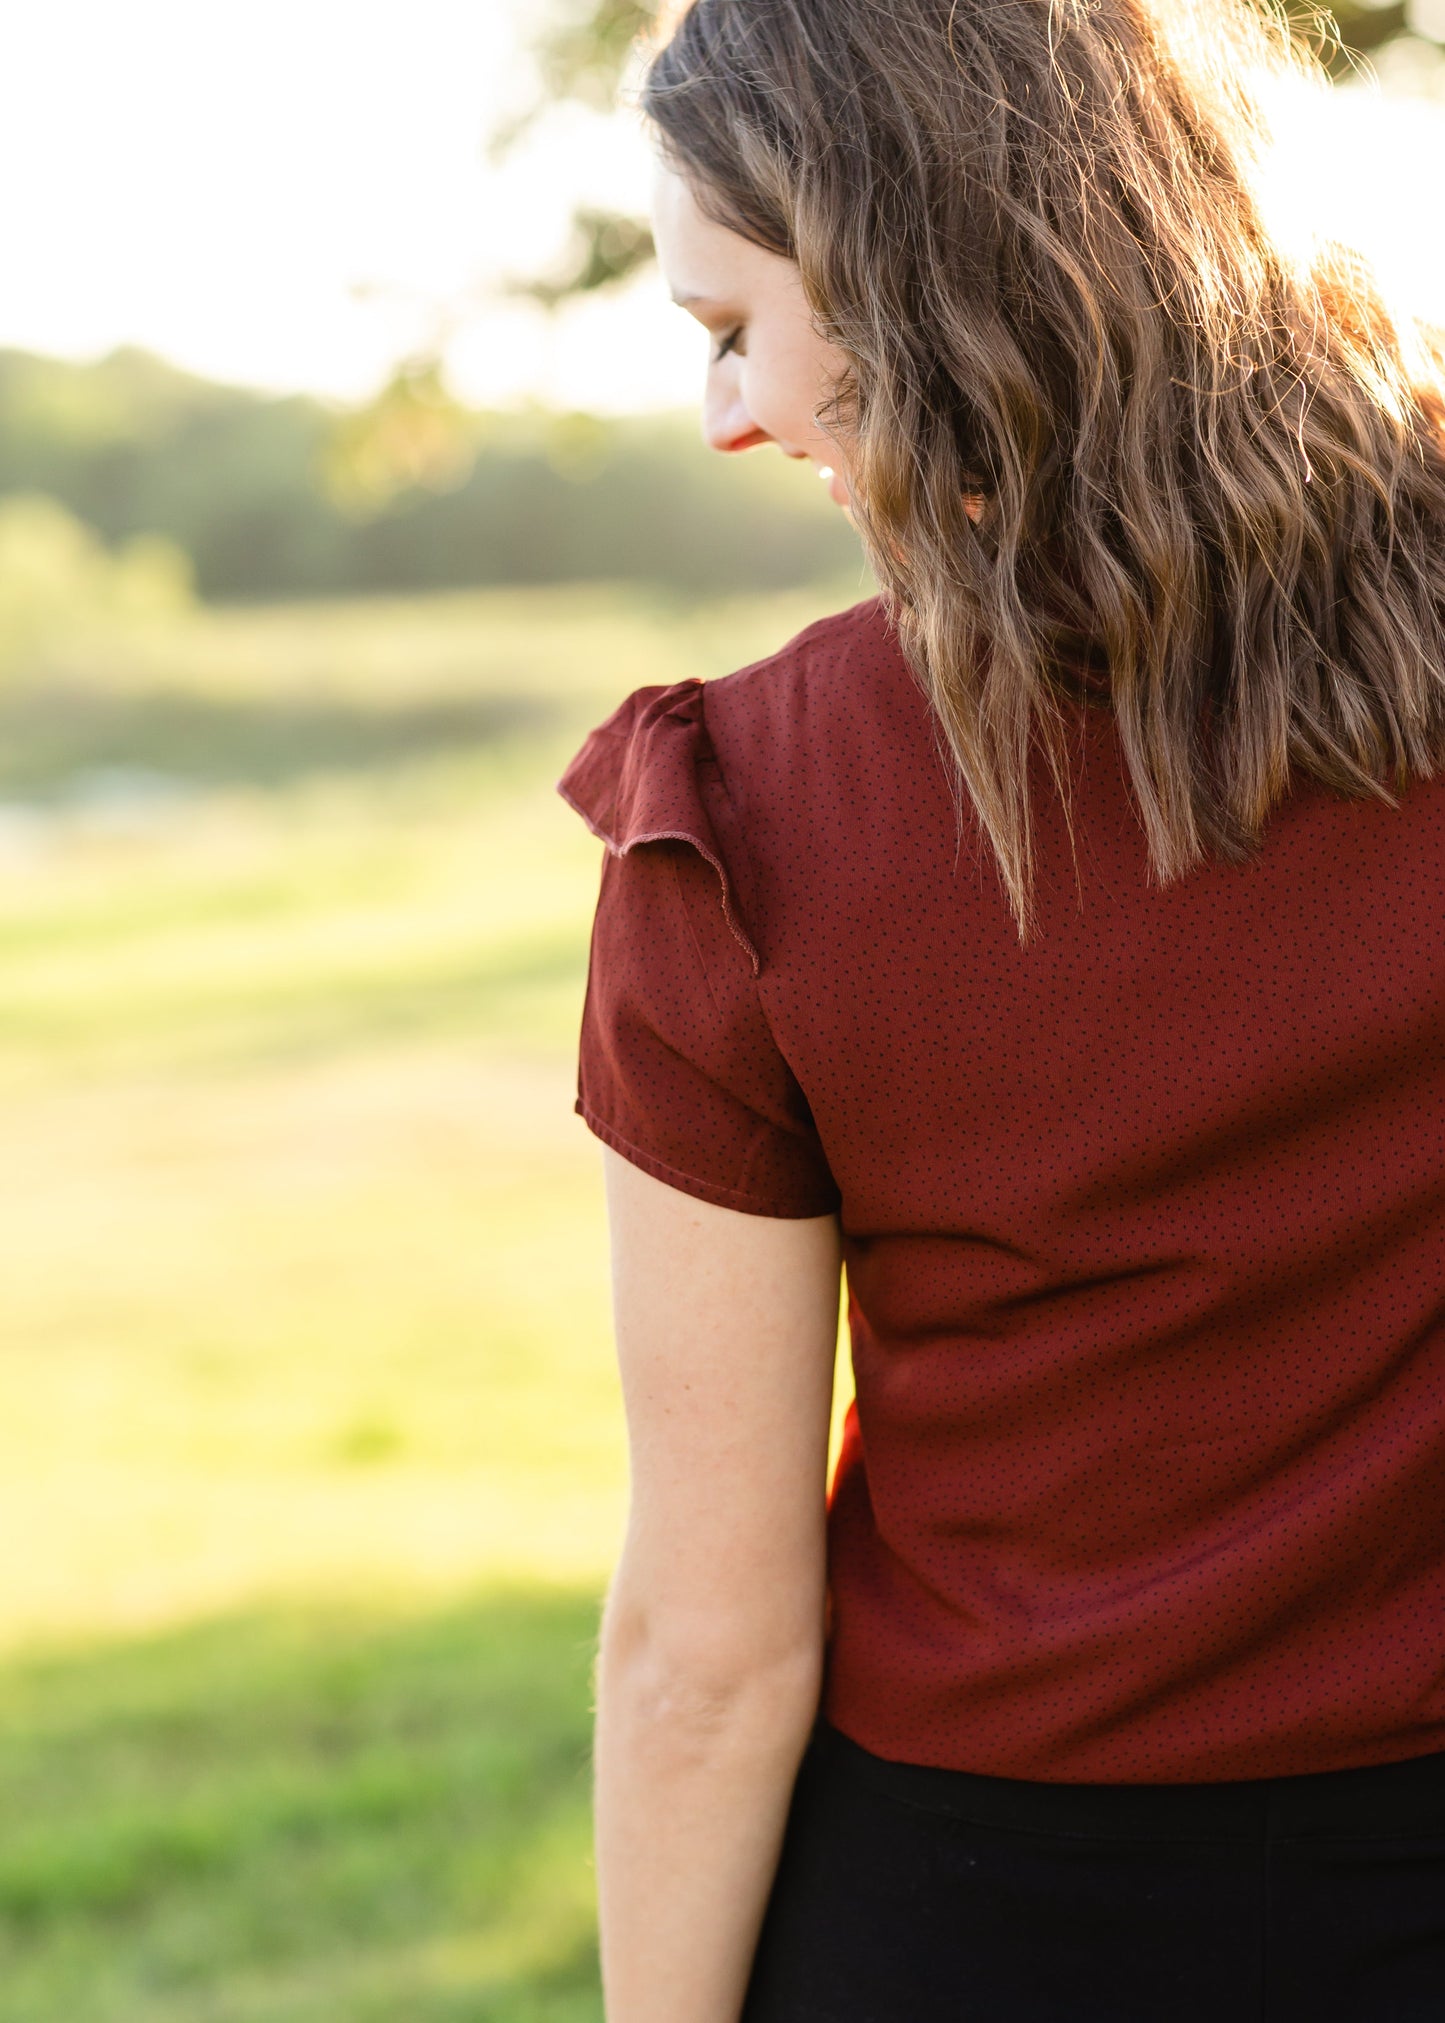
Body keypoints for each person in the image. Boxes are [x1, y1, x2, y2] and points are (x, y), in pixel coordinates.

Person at [557, 1, 1445, 2016]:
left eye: (730, 330)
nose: (729, 417)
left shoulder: (749, 818)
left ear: (906, 281)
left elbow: (708, 1643)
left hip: (975, 1918)